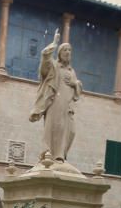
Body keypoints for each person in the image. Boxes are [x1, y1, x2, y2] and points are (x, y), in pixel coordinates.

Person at [29, 28, 82, 162]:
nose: (68, 52)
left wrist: (75, 84)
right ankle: (52, 155)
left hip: (67, 106)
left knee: (71, 131)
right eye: (65, 50)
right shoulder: (54, 66)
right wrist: (54, 43)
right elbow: (45, 60)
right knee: (55, 127)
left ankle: (61, 154)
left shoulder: (71, 71)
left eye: (70, 50)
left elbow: (77, 93)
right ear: (59, 53)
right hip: (55, 102)